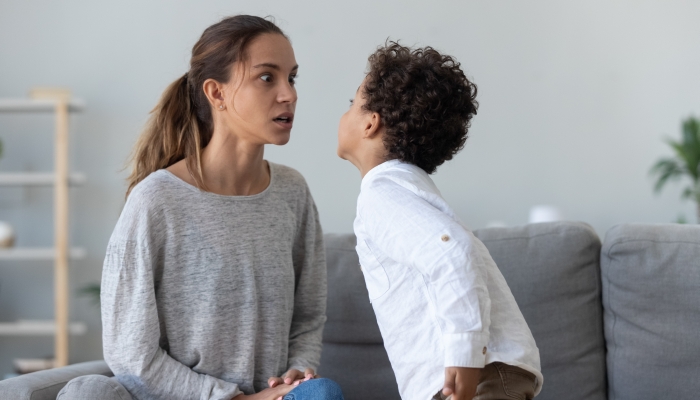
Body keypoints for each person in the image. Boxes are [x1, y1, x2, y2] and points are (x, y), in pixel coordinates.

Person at [58, 15, 344, 400]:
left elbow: (309, 316)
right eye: (266, 77)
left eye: (291, 78)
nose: (288, 94)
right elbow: (130, 353)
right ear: (217, 92)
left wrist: (298, 370)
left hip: (274, 396)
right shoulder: (157, 200)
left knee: (321, 394)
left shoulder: (291, 192)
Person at [336, 42, 543, 400]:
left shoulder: (381, 192)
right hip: (486, 374)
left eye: (351, 103)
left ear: (371, 122)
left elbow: (452, 253)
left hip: (475, 378)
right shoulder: (410, 189)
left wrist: (464, 355)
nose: (345, 112)